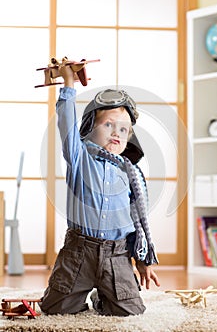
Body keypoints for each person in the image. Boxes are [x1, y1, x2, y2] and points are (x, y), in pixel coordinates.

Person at [40, 61, 160, 317]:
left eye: (124, 129)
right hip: (78, 253)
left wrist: (142, 261)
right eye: (108, 125)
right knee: (55, 309)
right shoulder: (80, 157)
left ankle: (104, 295)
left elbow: (136, 223)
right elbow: (66, 124)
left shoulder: (129, 173)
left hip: (117, 255)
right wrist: (68, 84)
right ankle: (81, 291)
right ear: (89, 129)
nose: (116, 133)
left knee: (130, 311)